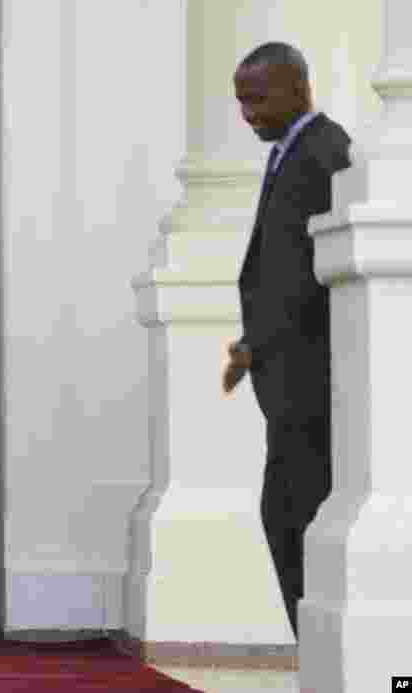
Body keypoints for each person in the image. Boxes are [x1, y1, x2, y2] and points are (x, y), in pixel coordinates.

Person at [224, 42, 350, 638]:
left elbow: (321, 275)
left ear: (298, 87)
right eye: (240, 101)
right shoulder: (290, 151)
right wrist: (252, 345)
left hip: (314, 381)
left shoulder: (326, 152)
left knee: (292, 515)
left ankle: (324, 653)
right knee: (286, 516)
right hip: (287, 377)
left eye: (257, 98)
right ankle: (317, 652)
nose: (247, 113)